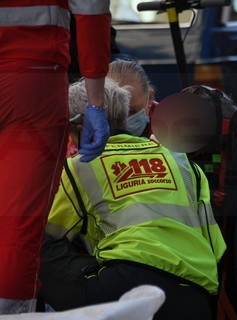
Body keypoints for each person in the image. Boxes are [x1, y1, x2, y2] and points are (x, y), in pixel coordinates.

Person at [38, 77, 227, 319]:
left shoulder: (79, 166)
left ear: (83, 130)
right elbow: (215, 245)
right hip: (193, 295)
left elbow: (50, 233)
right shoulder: (180, 160)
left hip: (125, 287)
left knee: (34, 244)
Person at [0, 1, 111, 314]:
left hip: (30, 81)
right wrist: (96, 103)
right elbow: (91, 11)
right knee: (16, 225)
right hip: (32, 79)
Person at [66, 59, 157, 157]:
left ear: (150, 98)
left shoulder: (172, 127)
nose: (122, 121)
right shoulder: (76, 132)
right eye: (111, 110)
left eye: (131, 111)